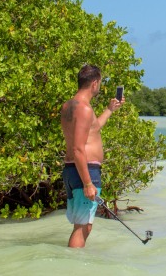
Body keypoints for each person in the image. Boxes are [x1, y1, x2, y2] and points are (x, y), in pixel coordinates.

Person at [60, 65, 123, 248]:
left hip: (72, 170)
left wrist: (110, 109)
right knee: (82, 228)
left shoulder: (69, 105)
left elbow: (92, 131)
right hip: (85, 172)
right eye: (100, 83)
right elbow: (79, 148)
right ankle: (73, 268)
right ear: (94, 83)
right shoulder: (85, 109)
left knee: (82, 225)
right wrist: (88, 183)